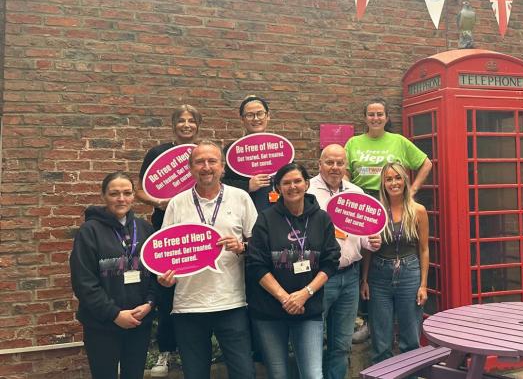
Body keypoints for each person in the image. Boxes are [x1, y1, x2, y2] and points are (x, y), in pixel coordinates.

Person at [157, 141, 258, 379]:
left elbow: (260, 246)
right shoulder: (177, 203)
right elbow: (164, 254)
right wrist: (164, 277)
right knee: (195, 374)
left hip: (231, 303)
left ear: (222, 167)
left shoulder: (240, 198)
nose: (206, 167)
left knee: (244, 373)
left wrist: (242, 247)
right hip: (188, 304)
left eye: (212, 161)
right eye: (200, 162)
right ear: (191, 168)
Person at [246, 163, 340, 379]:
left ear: (307, 184)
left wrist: (304, 294)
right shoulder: (266, 219)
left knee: (313, 375)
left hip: (309, 309)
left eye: (297, 181)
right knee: (278, 374)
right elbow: (256, 264)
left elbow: (330, 261)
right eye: (286, 183)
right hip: (270, 311)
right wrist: (285, 298)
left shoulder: (322, 218)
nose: (292, 187)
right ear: (278, 188)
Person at [135, 104, 202, 377]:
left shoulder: (204, 154)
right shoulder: (157, 153)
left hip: (199, 231)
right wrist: (157, 201)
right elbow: (138, 189)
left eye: (191, 121)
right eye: (181, 121)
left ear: (198, 125)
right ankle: (165, 352)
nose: (186, 125)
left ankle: (198, 351)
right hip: (166, 230)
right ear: (173, 124)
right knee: (168, 291)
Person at [70, 172, 158, 379]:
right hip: (102, 325)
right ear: (103, 196)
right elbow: (84, 283)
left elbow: (156, 273)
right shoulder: (89, 232)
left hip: (139, 322)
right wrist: (115, 315)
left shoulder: (145, 229)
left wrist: (150, 303)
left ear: (133, 196)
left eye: (127, 193)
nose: (121, 199)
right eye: (114, 193)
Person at [306, 144, 381, 379]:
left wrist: (373, 242)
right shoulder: (306, 191)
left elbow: (363, 236)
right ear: (319, 164)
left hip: (350, 277)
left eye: (340, 163)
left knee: (341, 343)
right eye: (329, 162)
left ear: (346, 166)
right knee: (313, 342)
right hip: (318, 277)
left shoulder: (356, 192)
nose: (335, 167)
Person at [361, 163, 429, 364]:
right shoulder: (376, 210)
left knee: (411, 339)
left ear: (405, 181)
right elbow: (367, 249)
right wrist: (364, 280)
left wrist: (423, 285)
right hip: (379, 275)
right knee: (381, 341)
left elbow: (424, 249)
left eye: (397, 178)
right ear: (383, 183)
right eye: (389, 179)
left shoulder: (418, 211)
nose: (394, 183)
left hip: (410, 273)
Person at [345, 97, 433, 200]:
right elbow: (345, 173)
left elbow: (426, 164)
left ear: (386, 118)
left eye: (380, 114)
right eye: (371, 115)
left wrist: (412, 191)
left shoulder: (399, 141)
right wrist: (347, 192)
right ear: (365, 118)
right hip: (360, 199)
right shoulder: (353, 142)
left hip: (392, 198)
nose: (375, 118)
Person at [222, 95, 275, 210]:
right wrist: (247, 186)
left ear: (268, 116)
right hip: (242, 209)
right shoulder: (231, 150)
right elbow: (220, 182)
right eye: (250, 115)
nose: (256, 119)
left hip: (275, 210)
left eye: (260, 113)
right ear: (242, 119)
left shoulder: (280, 146)